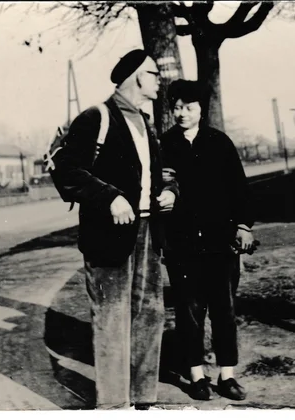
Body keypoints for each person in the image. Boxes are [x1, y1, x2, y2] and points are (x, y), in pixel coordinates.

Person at [52, 49, 178, 409]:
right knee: (112, 319)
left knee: (149, 315)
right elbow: (67, 172)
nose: (158, 80)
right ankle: (113, 406)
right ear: (138, 76)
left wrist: (170, 190)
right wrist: (109, 197)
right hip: (109, 235)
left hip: (149, 231)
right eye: (154, 73)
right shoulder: (97, 117)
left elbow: (162, 171)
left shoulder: (145, 121)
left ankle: (142, 398)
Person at [160, 80, 255, 401]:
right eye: (176, 107)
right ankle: (196, 374)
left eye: (188, 107)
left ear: (201, 109)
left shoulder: (219, 142)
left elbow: (240, 189)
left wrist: (243, 225)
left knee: (224, 310)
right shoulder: (165, 145)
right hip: (182, 245)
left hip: (220, 243)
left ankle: (227, 374)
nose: (181, 113)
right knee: (188, 311)